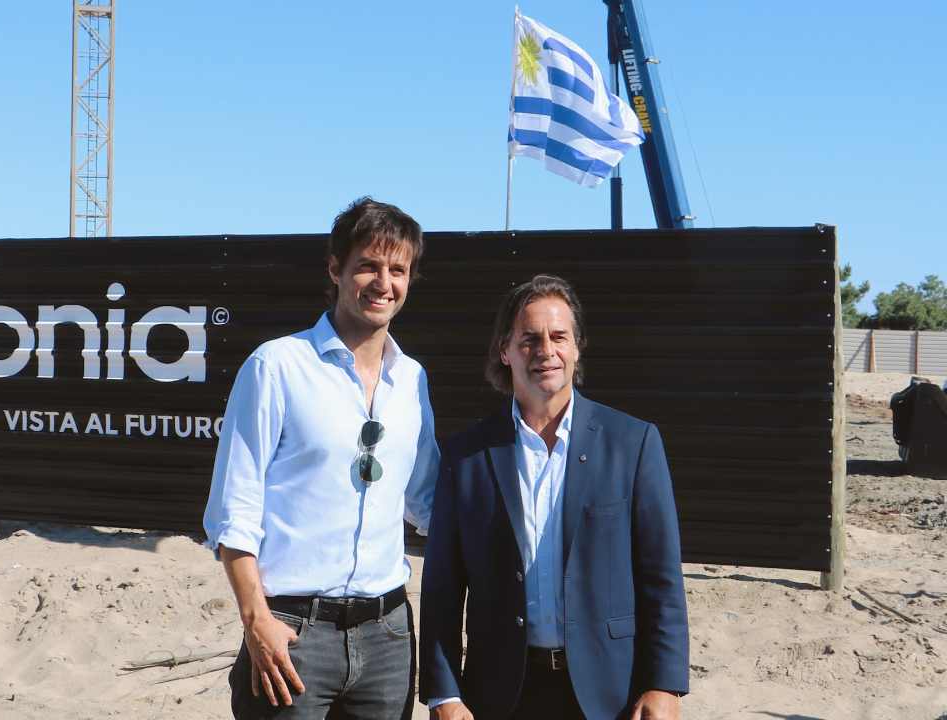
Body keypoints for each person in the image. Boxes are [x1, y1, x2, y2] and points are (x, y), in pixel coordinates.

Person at [202, 197, 440, 719]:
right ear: (335, 269)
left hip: (389, 638)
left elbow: (427, 501)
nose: (383, 283)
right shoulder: (277, 366)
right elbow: (232, 512)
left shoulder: (412, 380)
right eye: (368, 266)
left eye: (397, 270)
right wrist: (255, 621)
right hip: (292, 634)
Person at [420, 275, 689, 720]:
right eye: (529, 339)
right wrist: (444, 694)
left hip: (611, 693)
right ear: (505, 351)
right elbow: (443, 588)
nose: (546, 350)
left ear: (577, 347)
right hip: (501, 694)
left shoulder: (634, 443)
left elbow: (661, 577)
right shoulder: (466, 457)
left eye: (558, 336)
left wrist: (665, 684)